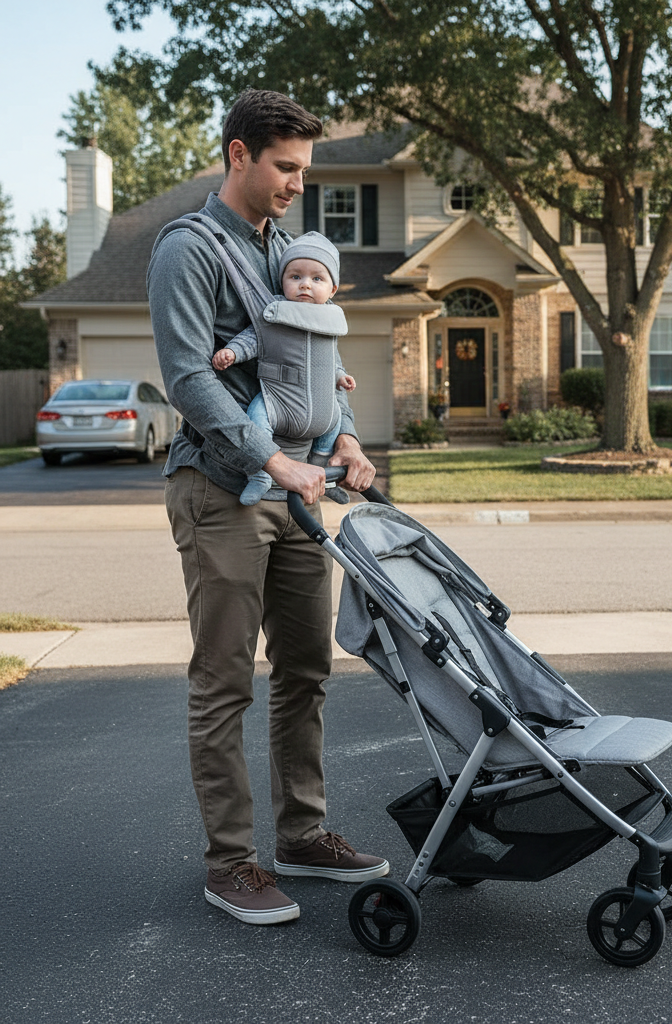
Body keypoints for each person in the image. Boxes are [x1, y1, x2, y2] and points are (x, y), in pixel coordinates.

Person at [148, 87, 389, 927]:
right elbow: (188, 377)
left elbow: (318, 359)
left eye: (304, 169)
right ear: (239, 154)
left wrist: (347, 442)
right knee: (224, 683)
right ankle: (230, 864)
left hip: (299, 490)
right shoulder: (190, 249)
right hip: (221, 488)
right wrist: (276, 460)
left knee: (306, 672)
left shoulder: (289, 250)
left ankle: (303, 834)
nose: (297, 183)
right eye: (285, 167)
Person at [210, 230, 358, 505]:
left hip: (321, 407)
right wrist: (232, 351)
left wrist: (340, 377)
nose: (305, 285)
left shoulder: (330, 320)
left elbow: (331, 358)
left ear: (332, 289)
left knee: (334, 422)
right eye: (295, 277)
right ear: (282, 282)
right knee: (257, 417)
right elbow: (253, 339)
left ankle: (324, 476)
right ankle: (260, 474)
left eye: (317, 278)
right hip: (277, 399)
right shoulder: (277, 312)